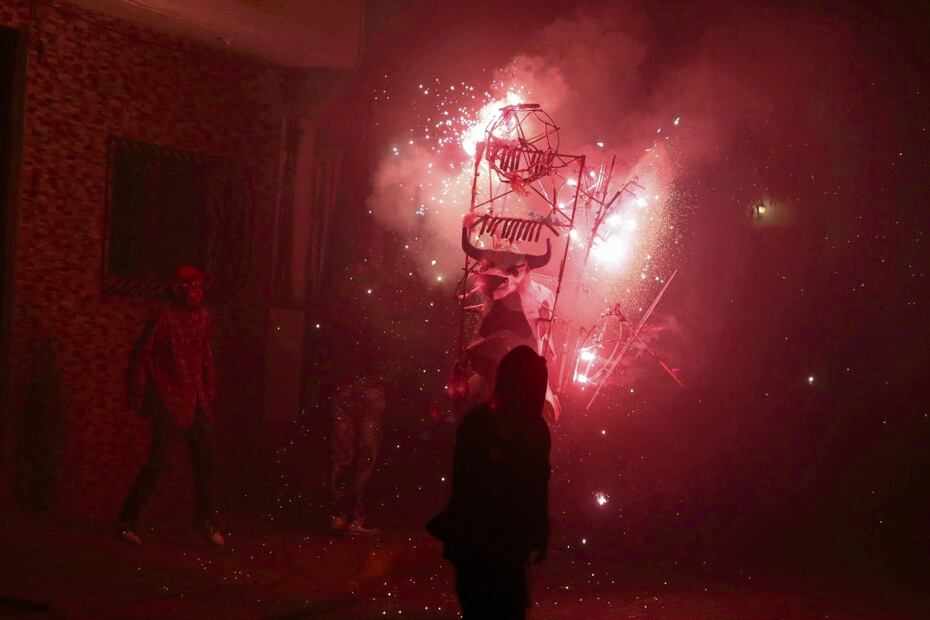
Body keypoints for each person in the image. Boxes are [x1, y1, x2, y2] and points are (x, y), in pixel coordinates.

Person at [428, 345, 551, 619]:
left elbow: (462, 482)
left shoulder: (477, 421)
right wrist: (540, 531)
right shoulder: (534, 429)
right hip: (505, 542)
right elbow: (537, 487)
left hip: (473, 541)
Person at [116, 265, 224, 546]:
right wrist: (137, 394)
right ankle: (126, 521)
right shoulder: (163, 318)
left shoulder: (203, 317)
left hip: (196, 400)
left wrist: (209, 387)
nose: (199, 292)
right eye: (193, 287)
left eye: (201, 287)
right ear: (179, 290)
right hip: (170, 400)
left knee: (207, 461)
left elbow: (205, 353)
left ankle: (205, 519)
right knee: (158, 463)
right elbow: (142, 356)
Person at [330, 375, 386, 536]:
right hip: (367, 389)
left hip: (346, 387)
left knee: (343, 458)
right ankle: (355, 519)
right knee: (363, 459)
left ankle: (340, 516)